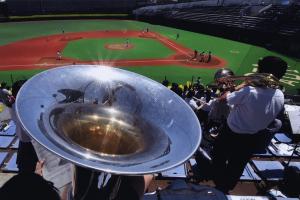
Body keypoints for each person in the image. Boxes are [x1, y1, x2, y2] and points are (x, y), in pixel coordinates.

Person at [211, 56, 288, 193]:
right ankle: (225, 187)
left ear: (262, 71)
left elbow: (222, 99)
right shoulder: (280, 95)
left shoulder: (249, 91)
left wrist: (234, 87)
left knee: (218, 155)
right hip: (254, 137)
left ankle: (219, 182)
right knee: (238, 164)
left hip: (231, 133)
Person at [9, 80, 39, 173]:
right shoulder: (20, 107)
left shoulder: (13, 105)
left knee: (24, 166)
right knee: (27, 167)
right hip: (29, 143)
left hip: (27, 142)